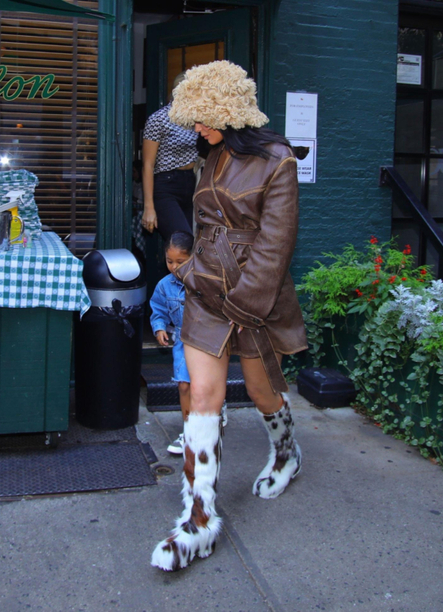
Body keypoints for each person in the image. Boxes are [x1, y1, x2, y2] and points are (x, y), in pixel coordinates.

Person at [150, 60, 308, 572]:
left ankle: (286, 452)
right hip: (204, 292)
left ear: (229, 112)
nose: (194, 127)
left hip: (251, 299)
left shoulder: (277, 160)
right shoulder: (211, 156)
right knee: (202, 397)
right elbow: (203, 228)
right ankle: (197, 521)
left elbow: (275, 246)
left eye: (201, 117)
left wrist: (244, 304)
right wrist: (194, 270)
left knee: (263, 392)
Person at [149, 231, 227, 455]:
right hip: (183, 341)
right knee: (184, 385)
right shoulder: (165, 286)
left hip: (207, 339)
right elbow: (158, 310)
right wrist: (160, 327)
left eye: (180, 261)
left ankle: (215, 412)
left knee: (205, 387)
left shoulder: (207, 280)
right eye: (169, 261)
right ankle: (190, 431)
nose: (174, 266)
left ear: (194, 257)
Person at [141, 72, 198, 241]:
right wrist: (148, 207)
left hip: (193, 183)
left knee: (191, 243)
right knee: (183, 241)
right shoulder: (159, 119)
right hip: (166, 185)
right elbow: (148, 165)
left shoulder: (198, 120)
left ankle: (170, 268)